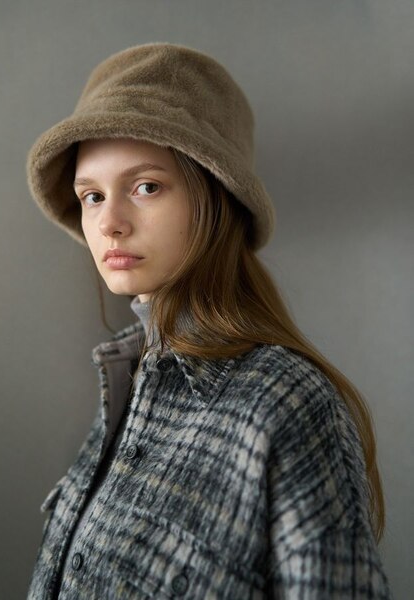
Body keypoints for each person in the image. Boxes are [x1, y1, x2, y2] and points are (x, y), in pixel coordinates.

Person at [25, 42, 392, 599]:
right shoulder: (125, 382)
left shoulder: (286, 404)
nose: (109, 223)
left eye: (146, 186)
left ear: (215, 197)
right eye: (92, 195)